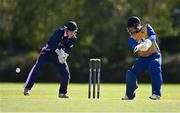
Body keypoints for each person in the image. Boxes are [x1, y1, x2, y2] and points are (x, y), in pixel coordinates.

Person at [24, 21, 78, 98]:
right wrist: (58, 52)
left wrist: (64, 56)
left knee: (66, 73)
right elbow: (50, 43)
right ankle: (27, 88)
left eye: (73, 32)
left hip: (57, 56)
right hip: (47, 53)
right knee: (38, 67)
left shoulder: (73, 39)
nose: (71, 34)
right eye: (70, 31)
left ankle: (62, 93)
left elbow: (68, 49)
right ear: (66, 29)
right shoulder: (59, 32)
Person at [122, 16, 163, 100]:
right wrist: (140, 46)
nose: (130, 31)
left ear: (136, 25)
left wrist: (148, 41)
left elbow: (153, 36)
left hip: (154, 55)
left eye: (131, 28)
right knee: (131, 73)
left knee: (154, 66)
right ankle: (129, 95)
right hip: (142, 59)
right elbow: (135, 47)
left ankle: (156, 93)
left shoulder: (147, 27)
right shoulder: (131, 38)